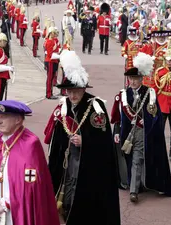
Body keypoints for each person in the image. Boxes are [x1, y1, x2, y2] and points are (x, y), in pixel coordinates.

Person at [44, 50, 120, 225]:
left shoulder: (96, 107)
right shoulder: (63, 107)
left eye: (76, 91)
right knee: (66, 196)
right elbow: (55, 140)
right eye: (69, 91)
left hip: (88, 166)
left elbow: (104, 141)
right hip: (67, 163)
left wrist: (85, 141)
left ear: (84, 89)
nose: (72, 96)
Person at [111, 52, 171, 203]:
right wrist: (117, 132)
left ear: (141, 79)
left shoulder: (149, 93)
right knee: (129, 159)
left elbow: (155, 115)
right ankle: (140, 183)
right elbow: (117, 117)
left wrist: (150, 126)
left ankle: (134, 191)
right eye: (131, 79)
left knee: (137, 160)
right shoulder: (122, 94)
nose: (133, 82)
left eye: (136, 79)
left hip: (142, 132)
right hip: (127, 133)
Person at [0, 100, 60, 225]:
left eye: (4, 117)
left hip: (16, 211)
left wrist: (4, 205)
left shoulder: (30, 144)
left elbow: (30, 186)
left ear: (18, 120)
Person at [0, 29, 13, 114]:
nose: (5, 43)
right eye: (4, 41)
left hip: (2, 77)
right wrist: (8, 68)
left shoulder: (1, 50)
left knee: (0, 96)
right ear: (0, 41)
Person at [44, 25, 59, 99]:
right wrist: (59, 56)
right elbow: (50, 54)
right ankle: (48, 94)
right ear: (50, 33)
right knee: (50, 78)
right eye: (53, 33)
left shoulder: (53, 41)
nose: (55, 34)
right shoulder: (49, 42)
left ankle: (50, 92)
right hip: (50, 61)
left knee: (52, 78)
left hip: (53, 61)